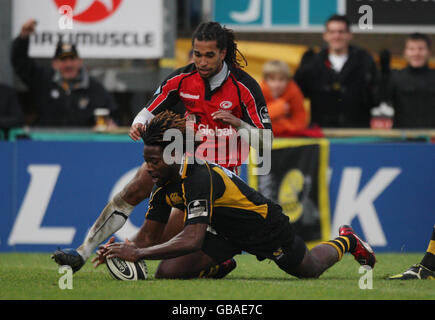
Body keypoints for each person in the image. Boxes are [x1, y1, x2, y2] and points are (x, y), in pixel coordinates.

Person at [52, 21, 273, 274]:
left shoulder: (244, 87)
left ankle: (214, 260)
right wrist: (137, 124)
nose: (201, 62)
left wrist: (237, 123)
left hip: (216, 177)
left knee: (164, 265)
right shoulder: (183, 78)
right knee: (139, 182)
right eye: (197, 54)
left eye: (209, 55)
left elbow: (266, 141)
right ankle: (82, 251)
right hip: (184, 160)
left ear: (222, 53)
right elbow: (146, 112)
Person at [94, 111, 375, 280]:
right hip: (222, 232)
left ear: (174, 154)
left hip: (263, 226)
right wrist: (119, 248)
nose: (149, 167)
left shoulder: (197, 176)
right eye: (146, 160)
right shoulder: (162, 182)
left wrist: (138, 253)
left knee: (310, 269)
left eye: (154, 160)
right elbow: (149, 236)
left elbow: (191, 239)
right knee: (166, 273)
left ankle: (347, 240)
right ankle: (220, 263)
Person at [11, 19, 118, 127]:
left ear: (80, 61)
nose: (68, 65)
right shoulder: (43, 80)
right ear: (54, 63)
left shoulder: (94, 88)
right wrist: (23, 38)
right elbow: (20, 63)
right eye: (63, 60)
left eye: (72, 59)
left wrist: (110, 124)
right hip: (47, 142)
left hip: (83, 142)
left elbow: (111, 115)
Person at [294, 15, 379, 128]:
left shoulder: (364, 60)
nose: (337, 36)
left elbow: (375, 98)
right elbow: (299, 95)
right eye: (332, 32)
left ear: (349, 35)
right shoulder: (313, 62)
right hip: (322, 132)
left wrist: (384, 76)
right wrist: (301, 72)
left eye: (341, 32)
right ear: (325, 35)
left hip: (357, 132)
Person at [385, 33, 435, 128]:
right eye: (411, 49)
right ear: (405, 53)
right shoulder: (395, 77)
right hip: (402, 138)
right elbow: (380, 99)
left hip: (432, 138)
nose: (416, 53)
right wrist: (384, 75)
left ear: (429, 52)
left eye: (421, 49)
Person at [260, 60, 307, 137]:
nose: (277, 84)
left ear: (288, 80)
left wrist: (277, 124)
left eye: (281, 80)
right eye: (272, 79)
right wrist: (278, 108)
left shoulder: (294, 92)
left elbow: (301, 123)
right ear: (265, 80)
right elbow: (255, 121)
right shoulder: (259, 92)